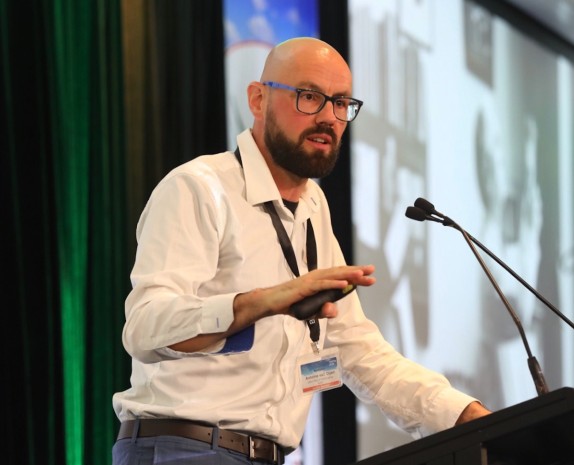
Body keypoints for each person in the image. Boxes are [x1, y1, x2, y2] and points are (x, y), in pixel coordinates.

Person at [112, 37, 490, 465]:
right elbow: (145, 327)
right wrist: (263, 302)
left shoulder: (313, 209)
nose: (329, 117)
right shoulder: (199, 187)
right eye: (310, 97)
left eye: (341, 103)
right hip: (186, 448)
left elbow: (356, 349)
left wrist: (467, 416)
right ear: (258, 99)